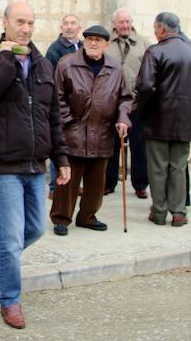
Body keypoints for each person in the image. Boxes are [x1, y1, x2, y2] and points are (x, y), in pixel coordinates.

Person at [0, 1, 70, 330]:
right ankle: (10, 301)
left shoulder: (42, 64)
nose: (26, 28)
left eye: (31, 23)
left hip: (36, 164)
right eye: (20, 21)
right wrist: (7, 60)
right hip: (4, 162)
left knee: (35, 229)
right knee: (11, 239)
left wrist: (61, 158)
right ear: (5, 22)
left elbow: (53, 116)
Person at [50, 25, 132, 236]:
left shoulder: (115, 68)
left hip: (103, 132)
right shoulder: (67, 64)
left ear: (106, 44)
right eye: (89, 39)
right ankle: (61, 217)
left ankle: (87, 216)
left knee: (96, 183)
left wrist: (123, 119)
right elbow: (57, 97)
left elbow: (125, 98)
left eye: (98, 40)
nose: (93, 43)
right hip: (73, 131)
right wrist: (69, 122)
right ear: (83, 41)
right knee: (68, 179)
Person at [135, 12, 191, 227]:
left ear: (162, 28)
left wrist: (142, 112)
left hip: (157, 120)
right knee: (178, 167)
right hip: (183, 122)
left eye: (155, 27)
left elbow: (145, 87)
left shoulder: (155, 51)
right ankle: (179, 212)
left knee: (158, 168)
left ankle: (159, 212)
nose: (153, 32)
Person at [104, 7, 150, 198]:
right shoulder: (106, 43)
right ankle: (109, 182)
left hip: (137, 104)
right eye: (120, 22)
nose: (124, 25)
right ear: (114, 23)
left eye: (127, 21)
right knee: (112, 146)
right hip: (113, 105)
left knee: (139, 146)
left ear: (131, 23)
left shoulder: (144, 43)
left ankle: (140, 184)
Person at [45, 14, 82, 197]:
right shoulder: (55, 50)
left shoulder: (83, 47)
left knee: (75, 146)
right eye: (66, 23)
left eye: (73, 23)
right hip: (61, 104)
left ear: (79, 27)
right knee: (59, 144)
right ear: (61, 27)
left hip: (81, 106)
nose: (69, 27)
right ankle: (54, 187)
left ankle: (74, 183)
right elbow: (50, 78)